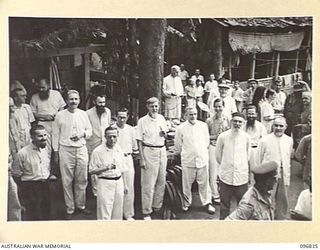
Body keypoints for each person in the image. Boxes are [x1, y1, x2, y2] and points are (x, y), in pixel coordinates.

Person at [52, 90, 92, 220]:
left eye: (76, 99)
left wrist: (82, 135)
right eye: (71, 99)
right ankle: (70, 208)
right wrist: (56, 152)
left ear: (79, 100)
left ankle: (81, 205)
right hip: (66, 149)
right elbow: (55, 135)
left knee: (82, 179)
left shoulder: (83, 114)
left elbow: (90, 131)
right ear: (67, 100)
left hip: (81, 149)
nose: (73, 101)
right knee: (67, 180)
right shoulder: (60, 115)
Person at [174, 107, 215, 214]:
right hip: (188, 160)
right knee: (187, 183)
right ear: (186, 115)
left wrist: (200, 152)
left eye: (195, 114)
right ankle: (186, 203)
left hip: (202, 158)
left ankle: (207, 203)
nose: (193, 116)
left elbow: (206, 142)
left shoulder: (203, 126)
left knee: (204, 183)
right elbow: (178, 145)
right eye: (191, 114)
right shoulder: (181, 128)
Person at [136, 97, 168, 220]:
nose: (154, 108)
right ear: (147, 107)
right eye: (152, 106)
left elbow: (164, 133)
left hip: (162, 150)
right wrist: (142, 158)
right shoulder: (142, 121)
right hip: (149, 150)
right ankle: (146, 211)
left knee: (161, 181)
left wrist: (164, 133)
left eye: (156, 106)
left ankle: (157, 207)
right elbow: (139, 140)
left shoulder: (161, 118)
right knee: (148, 184)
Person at [215, 112, 251, 219]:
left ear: (243, 123)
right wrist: (227, 166)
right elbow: (218, 156)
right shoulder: (223, 136)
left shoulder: (247, 138)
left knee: (242, 204)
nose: (237, 124)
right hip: (226, 176)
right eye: (235, 121)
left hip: (241, 177)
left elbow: (248, 156)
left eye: (240, 122)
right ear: (231, 122)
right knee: (224, 204)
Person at [11, 125, 51, 221]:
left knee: (47, 214)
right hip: (30, 188)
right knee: (34, 216)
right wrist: (24, 192)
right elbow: (16, 175)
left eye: (45, 135)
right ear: (32, 137)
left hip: (45, 186)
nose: (44, 138)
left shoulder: (45, 149)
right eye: (40, 136)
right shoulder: (22, 153)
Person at [257, 117, 293, 219]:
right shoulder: (264, 140)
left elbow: (288, 157)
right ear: (272, 126)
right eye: (276, 125)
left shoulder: (289, 140)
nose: (278, 128)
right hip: (269, 174)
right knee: (267, 198)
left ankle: (280, 220)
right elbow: (258, 159)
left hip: (283, 172)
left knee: (283, 199)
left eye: (281, 126)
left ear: (285, 127)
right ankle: (265, 219)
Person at [89, 126, 126, 220]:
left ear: (118, 136)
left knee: (118, 212)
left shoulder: (119, 149)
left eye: (114, 136)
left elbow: (123, 168)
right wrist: (105, 168)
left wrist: (125, 185)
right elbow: (91, 171)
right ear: (105, 136)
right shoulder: (98, 151)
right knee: (104, 212)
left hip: (119, 182)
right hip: (105, 183)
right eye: (109, 136)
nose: (112, 139)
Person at [30, 78, 66, 152]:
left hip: (56, 123)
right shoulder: (34, 97)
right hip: (43, 125)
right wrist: (44, 116)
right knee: (45, 148)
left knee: (58, 145)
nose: (41, 89)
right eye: (39, 87)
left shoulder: (56, 94)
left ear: (48, 85)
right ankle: (47, 163)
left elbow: (62, 107)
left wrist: (58, 115)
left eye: (43, 87)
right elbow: (32, 113)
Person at [86, 94, 111, 196]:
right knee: (95, 168)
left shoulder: (107, 111)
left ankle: (105, 190)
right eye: (100, 102)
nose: (102, 105)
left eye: (103, 102)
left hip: (104, 143)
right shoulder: (88, 113)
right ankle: (96, 193)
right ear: (94, 102)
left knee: (105, 165)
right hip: (93, 144)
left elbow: (108, 126)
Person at [115, 108, 138, 220]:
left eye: (124, 117)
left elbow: (134, 147)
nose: (122, 120)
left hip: (128, 158)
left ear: (127, 117)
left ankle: (128, 214)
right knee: (118, 187)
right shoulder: (112, 129)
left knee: (129, 187)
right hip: (115, 159)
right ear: (116, 117)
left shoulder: (131, 130)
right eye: (120, 117)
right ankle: (117, 214)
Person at [206, 98, 230, 203]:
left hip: (225, 147)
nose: (218, 108)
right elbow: (205, 136)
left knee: (223, 171)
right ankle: (215, 194)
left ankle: (224, 192)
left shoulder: (228, 119)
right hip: (213, 146)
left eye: (220, 106)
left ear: (223, 107)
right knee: (213, 172)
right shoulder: (209, 120)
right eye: (216, 106)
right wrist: (216, 136)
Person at [242, 105, 267, 183]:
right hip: (244, 150)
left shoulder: (261, 126)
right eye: (249, 114)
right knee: (244, 171)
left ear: (256, 114)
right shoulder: (242, 125)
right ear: (246, 114)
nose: (251, 116)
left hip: (256, 151)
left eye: (252, 114)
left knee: (254, 173)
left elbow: (264, 141)